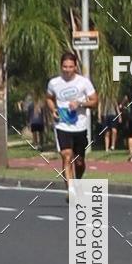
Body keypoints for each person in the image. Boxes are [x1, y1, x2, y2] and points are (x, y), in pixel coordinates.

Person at [46, 52, 98, 199]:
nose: (67, 70)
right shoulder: (54, 83)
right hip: (62, 126)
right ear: (61, 66)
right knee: (66, 156)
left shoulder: (83, 82)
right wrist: (53, 110)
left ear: (75, 67)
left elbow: (95, 101)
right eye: (64, 67)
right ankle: (71, 190)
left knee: (79, 161)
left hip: (80, 126)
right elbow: (49, 98)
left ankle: (77, 182)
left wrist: (80, 103)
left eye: (70, 67)